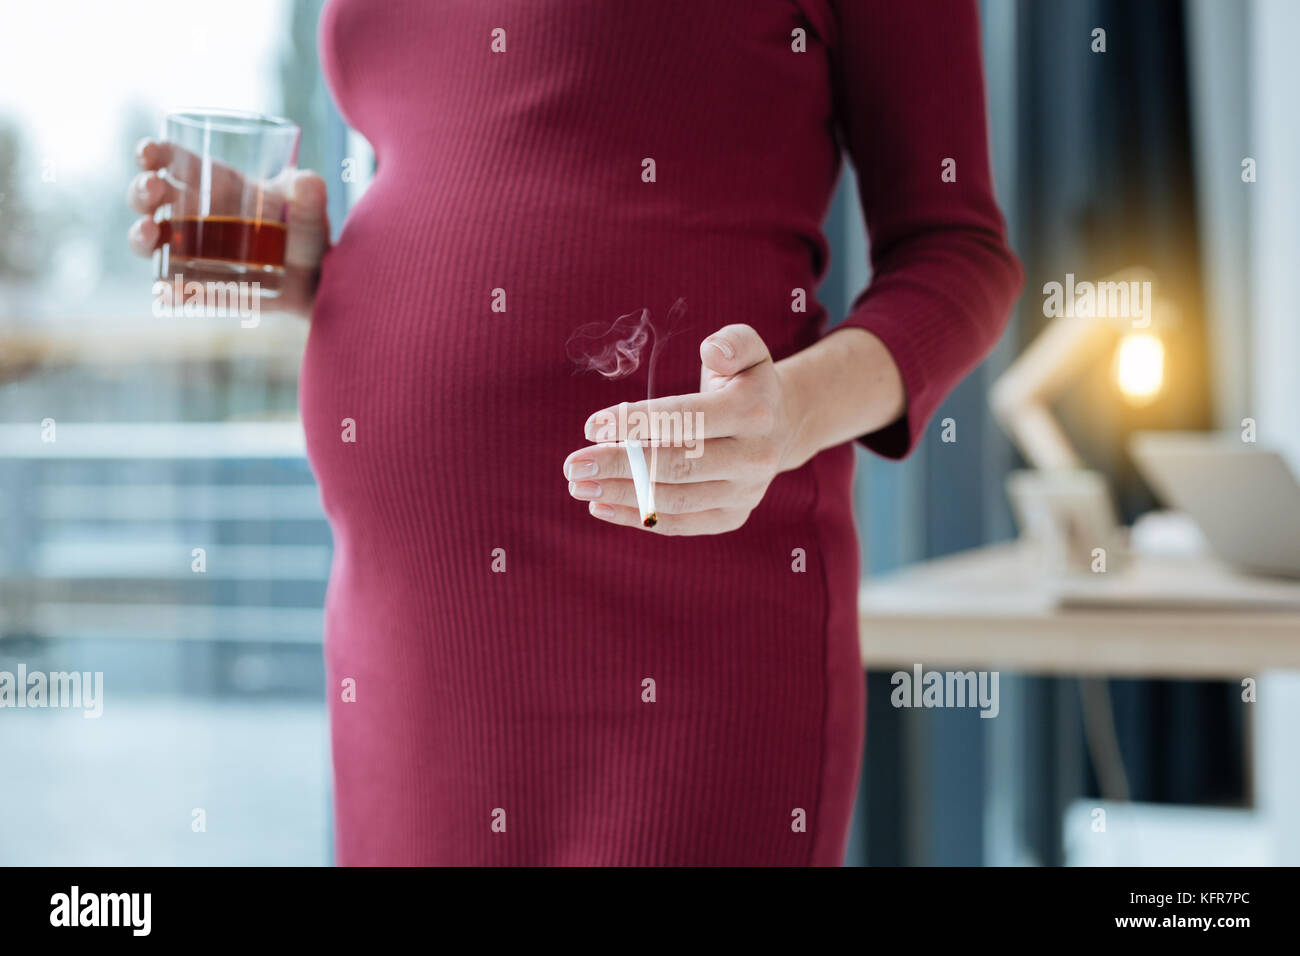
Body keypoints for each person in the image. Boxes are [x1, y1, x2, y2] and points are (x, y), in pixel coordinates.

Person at [126, 0, 1022, 865]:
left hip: (679, 623)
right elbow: (475, 170)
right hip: (407, 637)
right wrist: (310, 264)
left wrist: (789, 416)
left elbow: (958, 253)